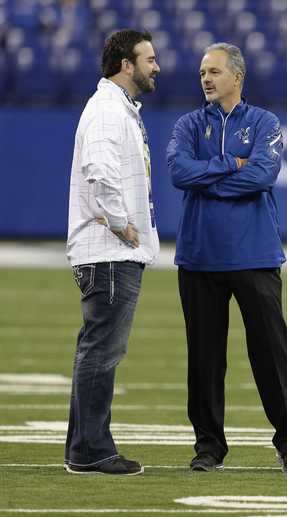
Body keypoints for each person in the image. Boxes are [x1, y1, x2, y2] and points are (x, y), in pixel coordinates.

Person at [167, 43, 287, 473]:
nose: (205, 79)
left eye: (213, 71)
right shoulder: (188, 124)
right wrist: (231, 165)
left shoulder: (265, 121)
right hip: (200, 257)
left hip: (255, 255)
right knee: (204, 359)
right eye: (202, 72)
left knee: (271, 354)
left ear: (237, 77)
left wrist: (208, 176)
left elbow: (263, 174)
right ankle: (208, 448)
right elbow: (177, 172)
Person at [64, 29, 160, 475]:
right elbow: (98, 172)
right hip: (107, 250)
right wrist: (122, 225)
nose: (155, 66)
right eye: (149, 58)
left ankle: (84, 446)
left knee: (97, 349)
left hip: (108, 250)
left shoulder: (115, 108)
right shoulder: (106, 109)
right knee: (102, 351)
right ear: (126, 64)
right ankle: (92, 450)